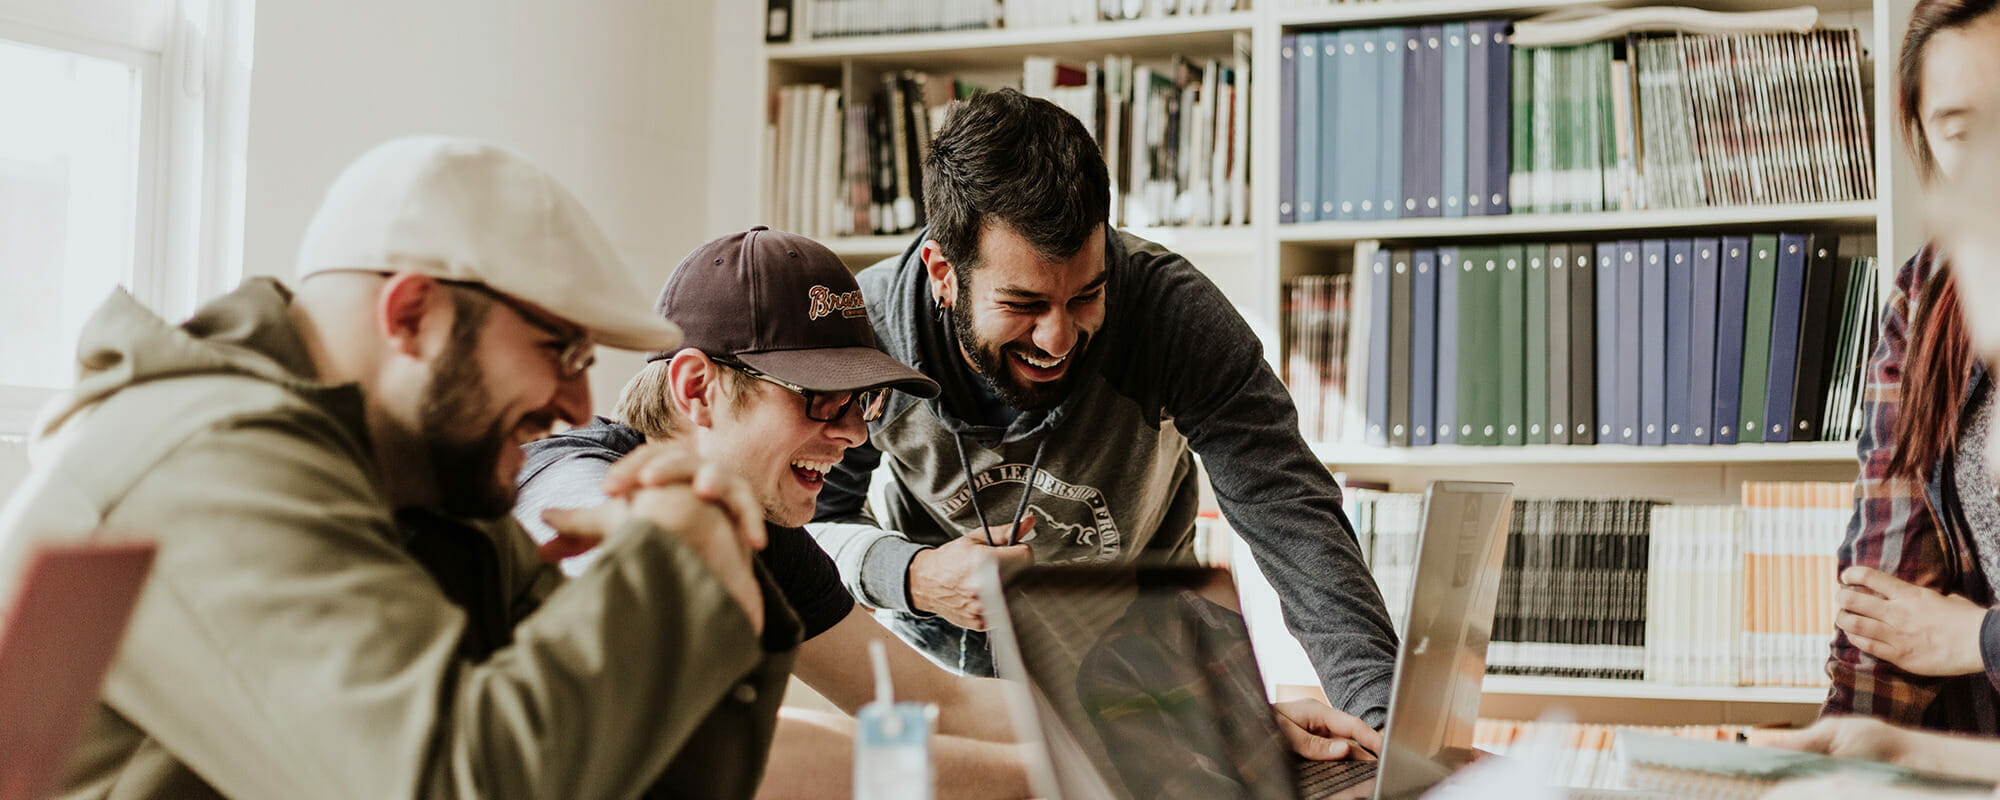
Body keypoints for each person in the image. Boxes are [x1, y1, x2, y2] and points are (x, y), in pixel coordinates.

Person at [0, 136, 798, 799]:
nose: (577, 402)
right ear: (412, 314)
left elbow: (633, 776)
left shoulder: (427, 488)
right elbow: (456, 784)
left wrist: (720, 572)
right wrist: (668, 566)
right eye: (559, 349)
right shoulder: (204, 463)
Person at [514, 227, 1371, 800]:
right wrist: (1101, 773)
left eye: (861, 404)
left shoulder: (764, 529)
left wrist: (1209, 720)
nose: (853, 438)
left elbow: (930, 702)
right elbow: (749, 750)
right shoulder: (572, 483)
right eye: (820, 402)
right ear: (698, 389)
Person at [806, 88, 1399, 737]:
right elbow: (806, 529)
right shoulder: (867, 334)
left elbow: (1293, 516)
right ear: (943, 272)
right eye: (1024, 305)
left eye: (1086, 296)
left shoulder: (1173, 314)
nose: (1058, 338)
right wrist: (913, 575)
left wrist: (1383, 727)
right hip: (943, 689)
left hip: (1142, 676)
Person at [1824, 0, 2000, 734]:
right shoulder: (1930, 294)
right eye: (1963, 132)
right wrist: (1839, 753)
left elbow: (1947, 635)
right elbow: (1886, 597)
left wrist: (1977, 638)